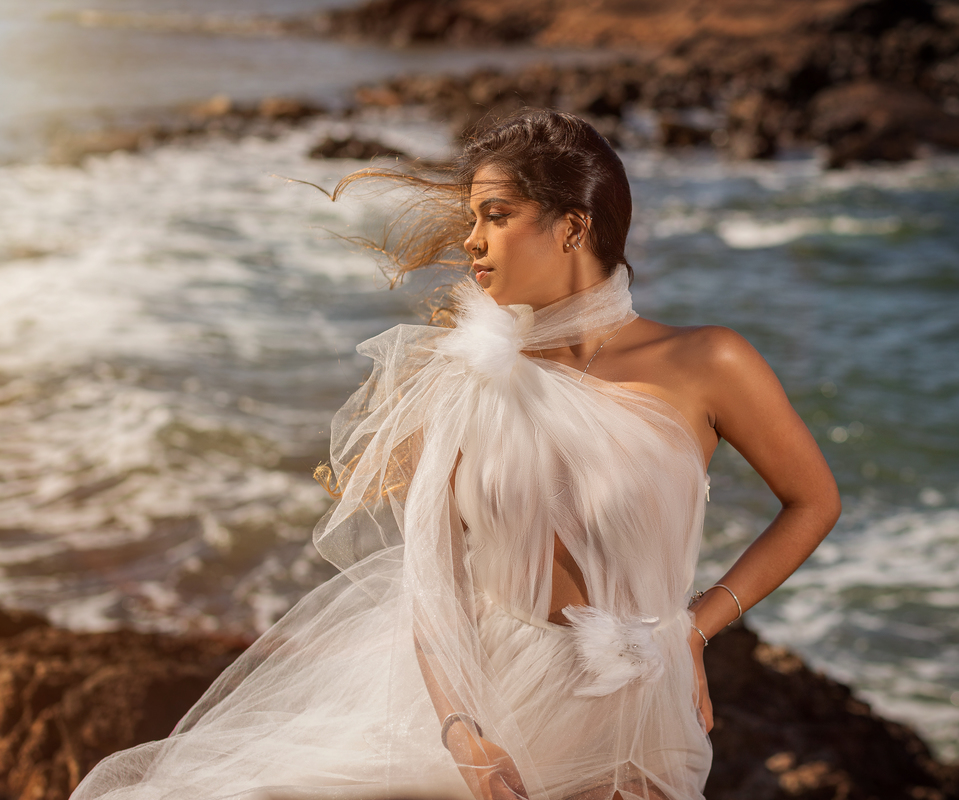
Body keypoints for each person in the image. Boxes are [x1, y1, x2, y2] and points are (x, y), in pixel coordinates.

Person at [71, 108, 840, 800]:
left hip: (639, 698)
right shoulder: (467, 374)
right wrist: (461, 730)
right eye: (474, 216)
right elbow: (432, 572)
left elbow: (813, 502)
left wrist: (694, 630)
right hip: (486, 702)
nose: (470, 240)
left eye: (494, 216)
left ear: (571, 227)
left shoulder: (710, 362)